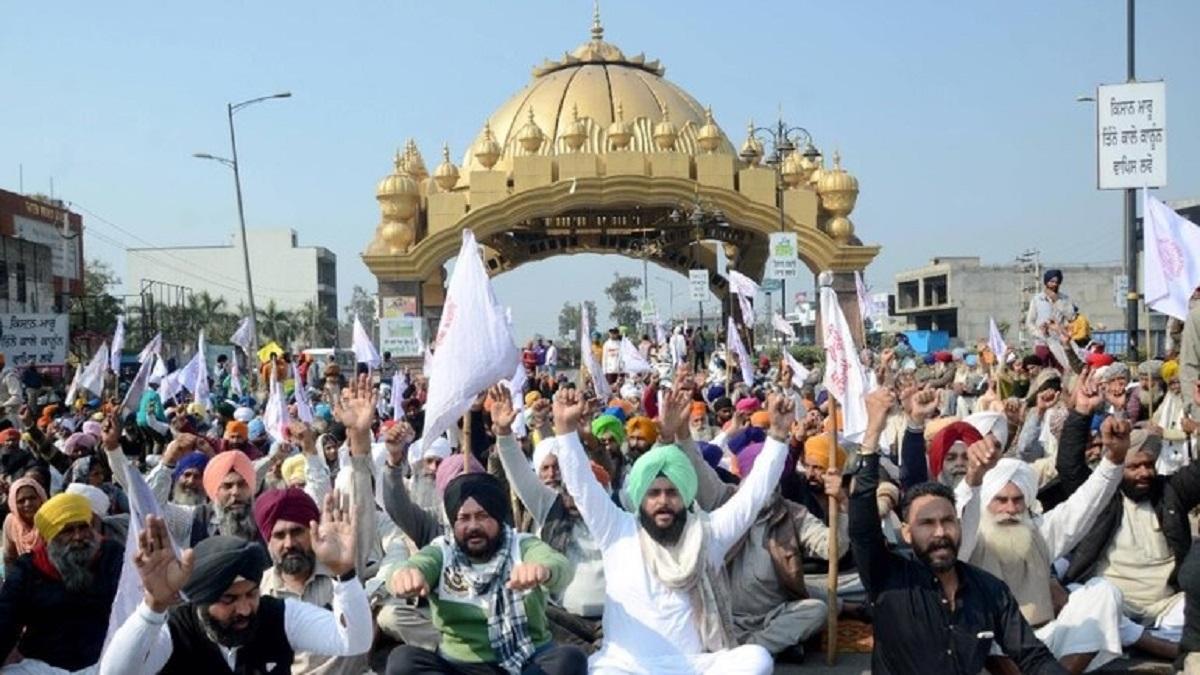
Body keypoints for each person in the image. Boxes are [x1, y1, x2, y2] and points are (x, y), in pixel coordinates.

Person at [549, 386, 790, 674]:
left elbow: (753, 495)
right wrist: (564, 429)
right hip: (628, 666)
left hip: (696, 665)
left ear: (686, 496)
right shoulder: (617, 530)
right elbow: (582, 486)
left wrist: (777, 436)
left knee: (756, 659)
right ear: (640, 498)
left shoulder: (708, 534)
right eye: (653, 494)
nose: (663, 501)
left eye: (672, 493)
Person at [848, 387, 1066, 673]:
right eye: (926, 523)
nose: (940, 532)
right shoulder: (888, 578)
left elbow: (1034, 657)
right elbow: (863, 529)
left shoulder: (990, 591)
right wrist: (872, 435)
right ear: (906, 533)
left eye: (947, 521)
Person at [956, 374, 1142, 673]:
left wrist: (1115, 459)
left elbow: (1085, 505)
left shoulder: (1038, 531)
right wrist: (974, 478)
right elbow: (960, 514)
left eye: (1017, 500)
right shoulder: (970, 536)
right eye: (1000, 500)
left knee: (1103, 593)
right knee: (978, 625)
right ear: (986, 501)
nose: (1009, 509)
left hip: (1045, 640)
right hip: (995, 652)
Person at [659, 376, 837, 662]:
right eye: (758, 478)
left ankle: (752, 648)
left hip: (772, 615)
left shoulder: (791, 514)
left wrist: (839, 505)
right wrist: (680, 433)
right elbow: (696, 466)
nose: (764, 487)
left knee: (819, 608)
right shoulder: (724, 500)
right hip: (721, 613)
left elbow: (835, 549)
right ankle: (764, 648)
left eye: (769, 478)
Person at [100, 510, 372, 675]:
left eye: (250, 594)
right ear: (200, 600)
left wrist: (344, 575)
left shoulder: (276, 615)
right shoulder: (174, 631)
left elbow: (355, 642)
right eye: (228, 599)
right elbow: (115, 672)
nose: (243, 610)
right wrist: (153, 605)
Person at [386, 468, 585, 674]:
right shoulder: (442, 551)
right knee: (403, 661)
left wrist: (543, 570)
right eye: (464, 518)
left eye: (482, 516)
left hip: (525, 661)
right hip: (459, 666)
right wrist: (404, 576)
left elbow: (560, 566)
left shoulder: (522, 546)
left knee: (569, 659)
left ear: (499, 518)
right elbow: (415, 565)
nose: (473, 526)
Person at [490, 386, 607, 653]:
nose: (574, 499)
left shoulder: (612, 516)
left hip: (615, 620)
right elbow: (519, 474)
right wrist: (504, 434)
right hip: (564, 620)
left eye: (580, 491)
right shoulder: (551, 508)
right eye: (569, 493)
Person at [0, 492, 124, 672]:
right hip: (44, 665)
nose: (78, 537)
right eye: (67, 531)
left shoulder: (111, 555)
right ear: (48, 538)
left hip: (105, 661)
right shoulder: (28, 569)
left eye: (83, 527)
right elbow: (5, 619)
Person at [1025, 269, 1075, 368]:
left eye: (1057, 282)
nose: (1054, 284)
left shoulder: (1064, 299)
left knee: (1063, 370)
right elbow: (1030, 322)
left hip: (1060, 342)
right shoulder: (1037, 299)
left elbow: (1071, 316)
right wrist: (1040, 333)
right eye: (1052, 282)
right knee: (1043, 370)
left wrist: (1057, 300)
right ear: (1046, 282)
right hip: (1042, 342)